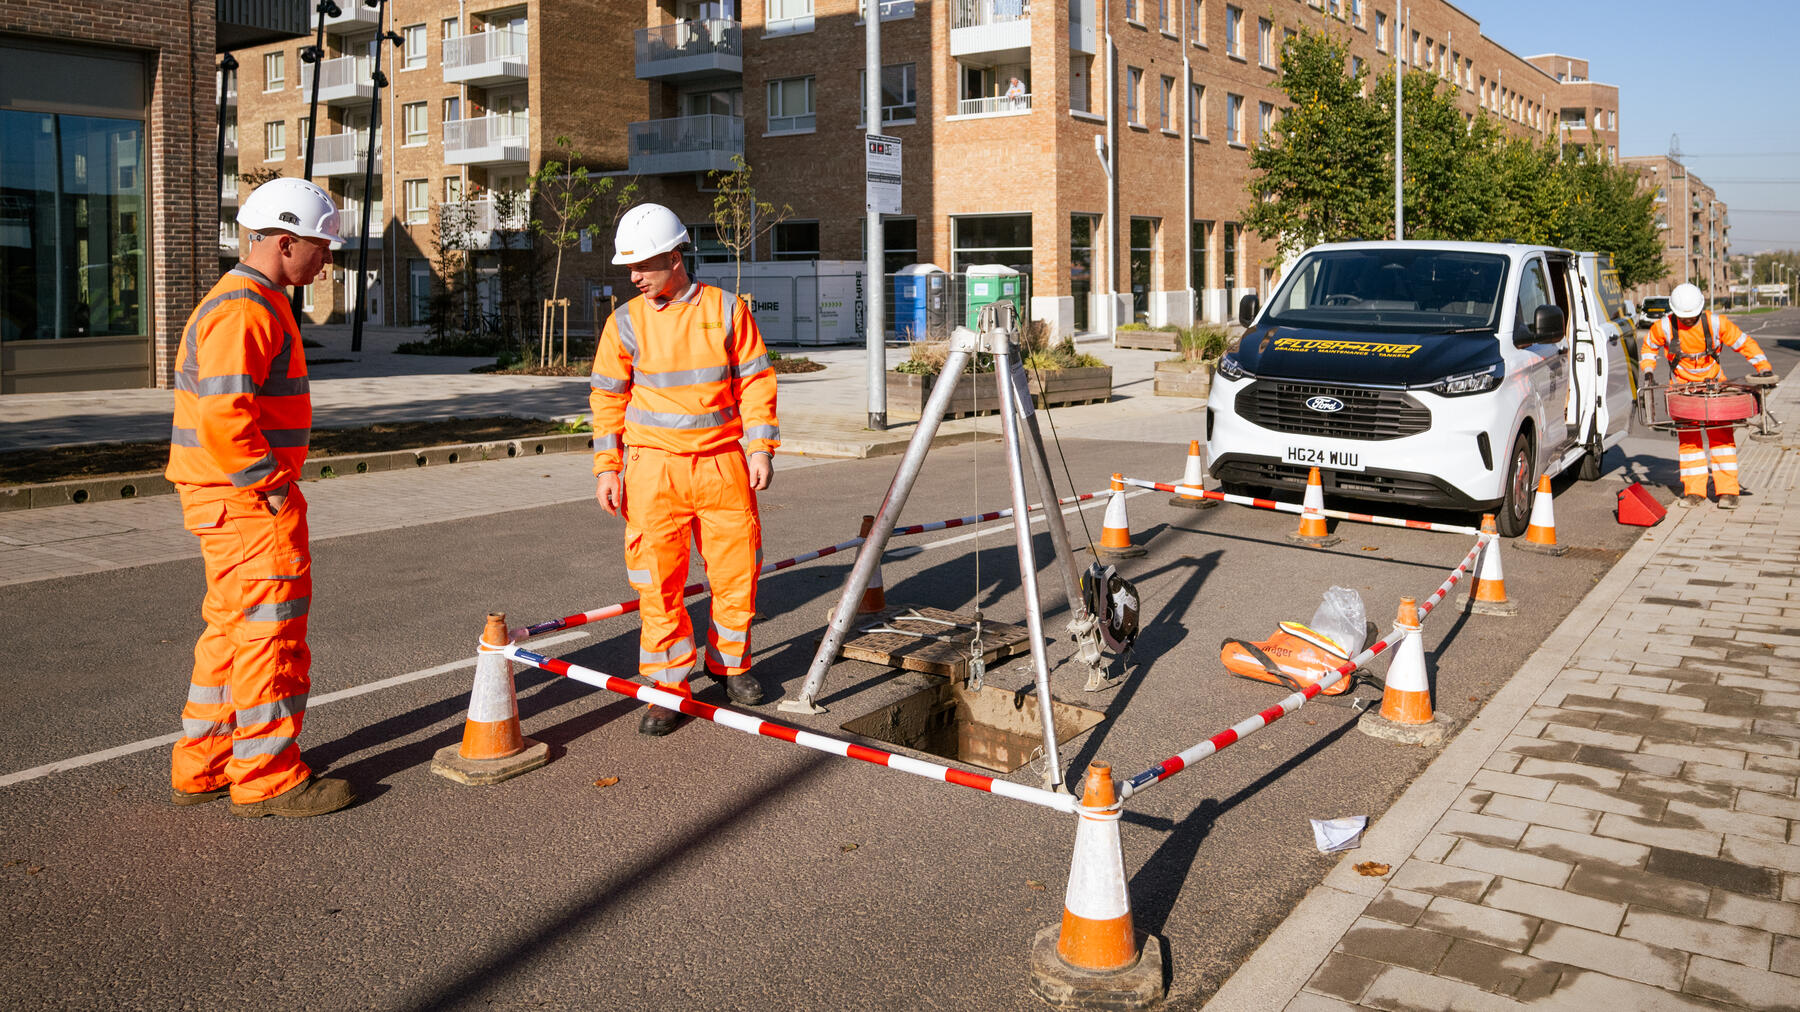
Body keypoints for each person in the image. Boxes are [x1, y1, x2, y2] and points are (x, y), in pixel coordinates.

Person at [165, 178, 356, 818]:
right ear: (283, 242)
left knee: (233, 631)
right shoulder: (248, 308)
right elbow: (226, 418)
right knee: (269, 637)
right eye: (321, 246)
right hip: (247, 501)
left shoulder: (250, 301)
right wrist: (271, 487)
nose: (327, 259)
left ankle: (208, 762)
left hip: (226, 498)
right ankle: (268, 778)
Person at [590, 203, 780, 736]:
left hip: (722, 465)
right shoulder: (624, 321)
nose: (633, 277)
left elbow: (756, 382)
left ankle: (731, 665)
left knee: (735, 575)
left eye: (642, 266)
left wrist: (762, 448)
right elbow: (607, 399)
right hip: (653, 471)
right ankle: (668, 687)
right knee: (658, 584)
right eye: (629, 268)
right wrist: (608, 468)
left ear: (675, 257)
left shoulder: (725, 310)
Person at [1639, 282, 1773, 509]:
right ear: (1674, 311)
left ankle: (1728, 492)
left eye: (1692, 317)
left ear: (1701, 309)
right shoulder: (1663, 327)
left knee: (1721, 440)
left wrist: (1763, 367)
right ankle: (1694, 492)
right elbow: (1648, 348)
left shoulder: (1715, 323)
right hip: (1683, 390)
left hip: (1714, 388)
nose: (1689, 321)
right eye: (1684, 317)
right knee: (1690, 443)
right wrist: (1649, 371)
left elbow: (1743, 343)